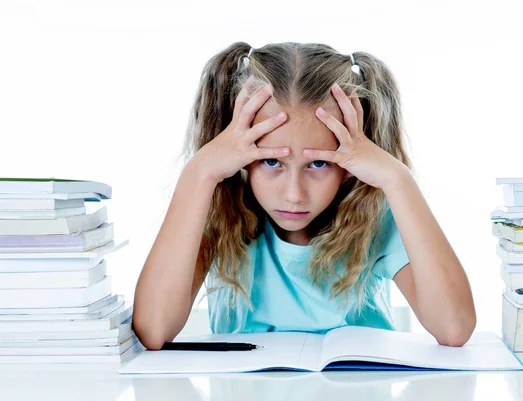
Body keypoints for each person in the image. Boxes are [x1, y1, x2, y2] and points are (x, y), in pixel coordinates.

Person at [132, 42, 476, 351]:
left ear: (350, 162)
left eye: (318, 163)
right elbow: (154, 330)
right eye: (271, 162)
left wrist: (397, 178)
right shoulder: (217, 211)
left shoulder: (374, 215)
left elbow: (453, 328)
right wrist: (199, 172)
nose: (294, 194)